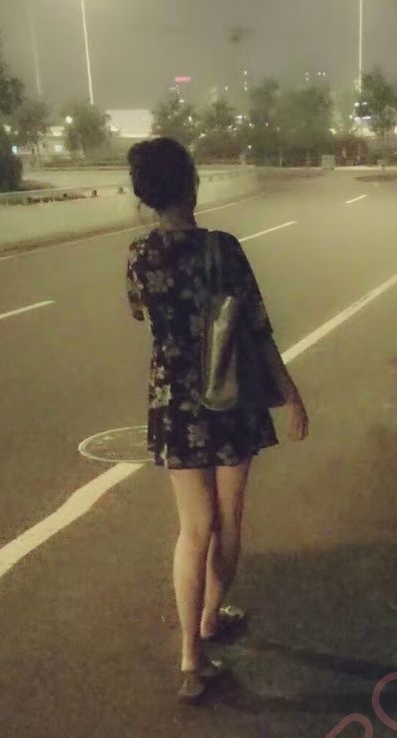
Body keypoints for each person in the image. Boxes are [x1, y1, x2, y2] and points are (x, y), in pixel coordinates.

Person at [125, 137, 309, 703]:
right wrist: (291, 396)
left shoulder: (139, 255)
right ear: (192, 184)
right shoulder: (223, 249)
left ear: (145, 196)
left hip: (174, 403)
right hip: (228, 398)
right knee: (228, 521)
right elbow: (257, 327)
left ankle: (191, 657)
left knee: (193, 528)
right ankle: (210, 618)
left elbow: (140, 313)